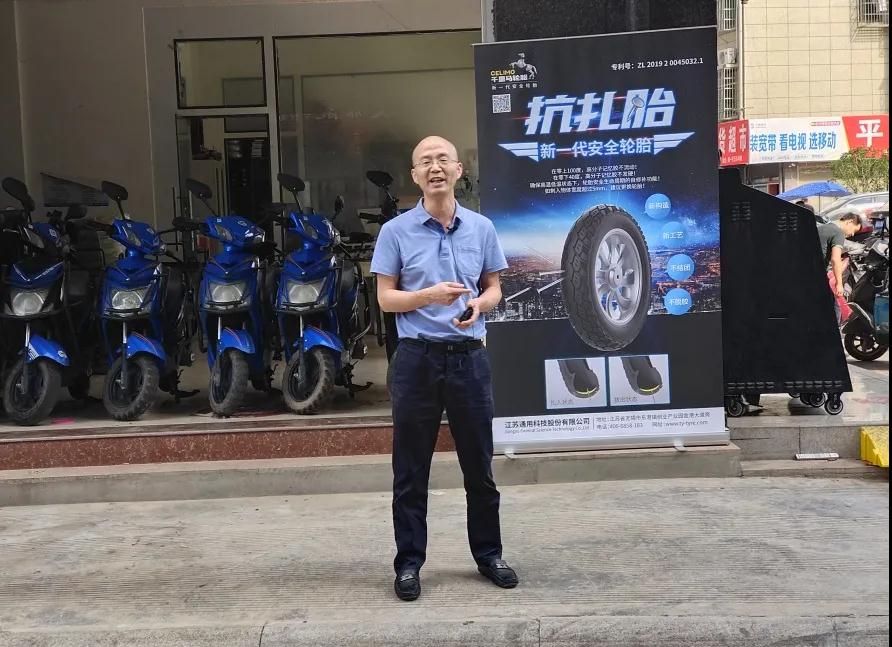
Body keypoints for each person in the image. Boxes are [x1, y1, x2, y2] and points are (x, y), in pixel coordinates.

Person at [370, 135, 516, 602]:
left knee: (480, 467)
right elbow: (385, 298)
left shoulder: (482, 228)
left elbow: (494, 287)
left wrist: (480, 305)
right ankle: (409, 564)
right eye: (425, 162)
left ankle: (489, 555)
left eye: (442, 160)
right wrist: (427, 296)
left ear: (457, 170)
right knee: (410, 471)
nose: (435, 168)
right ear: (415, 175)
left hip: (469, 358)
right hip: (417, 359)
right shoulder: (395, 232)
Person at [817, 212, 861, 322]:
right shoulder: (838, 232)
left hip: (805, 271)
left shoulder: (823, 227)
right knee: (834, 308)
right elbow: (835, 259)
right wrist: (839, 284)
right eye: (854, 230)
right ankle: (833, 332)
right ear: (849, 222)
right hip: (816, 275)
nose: (852, 234)